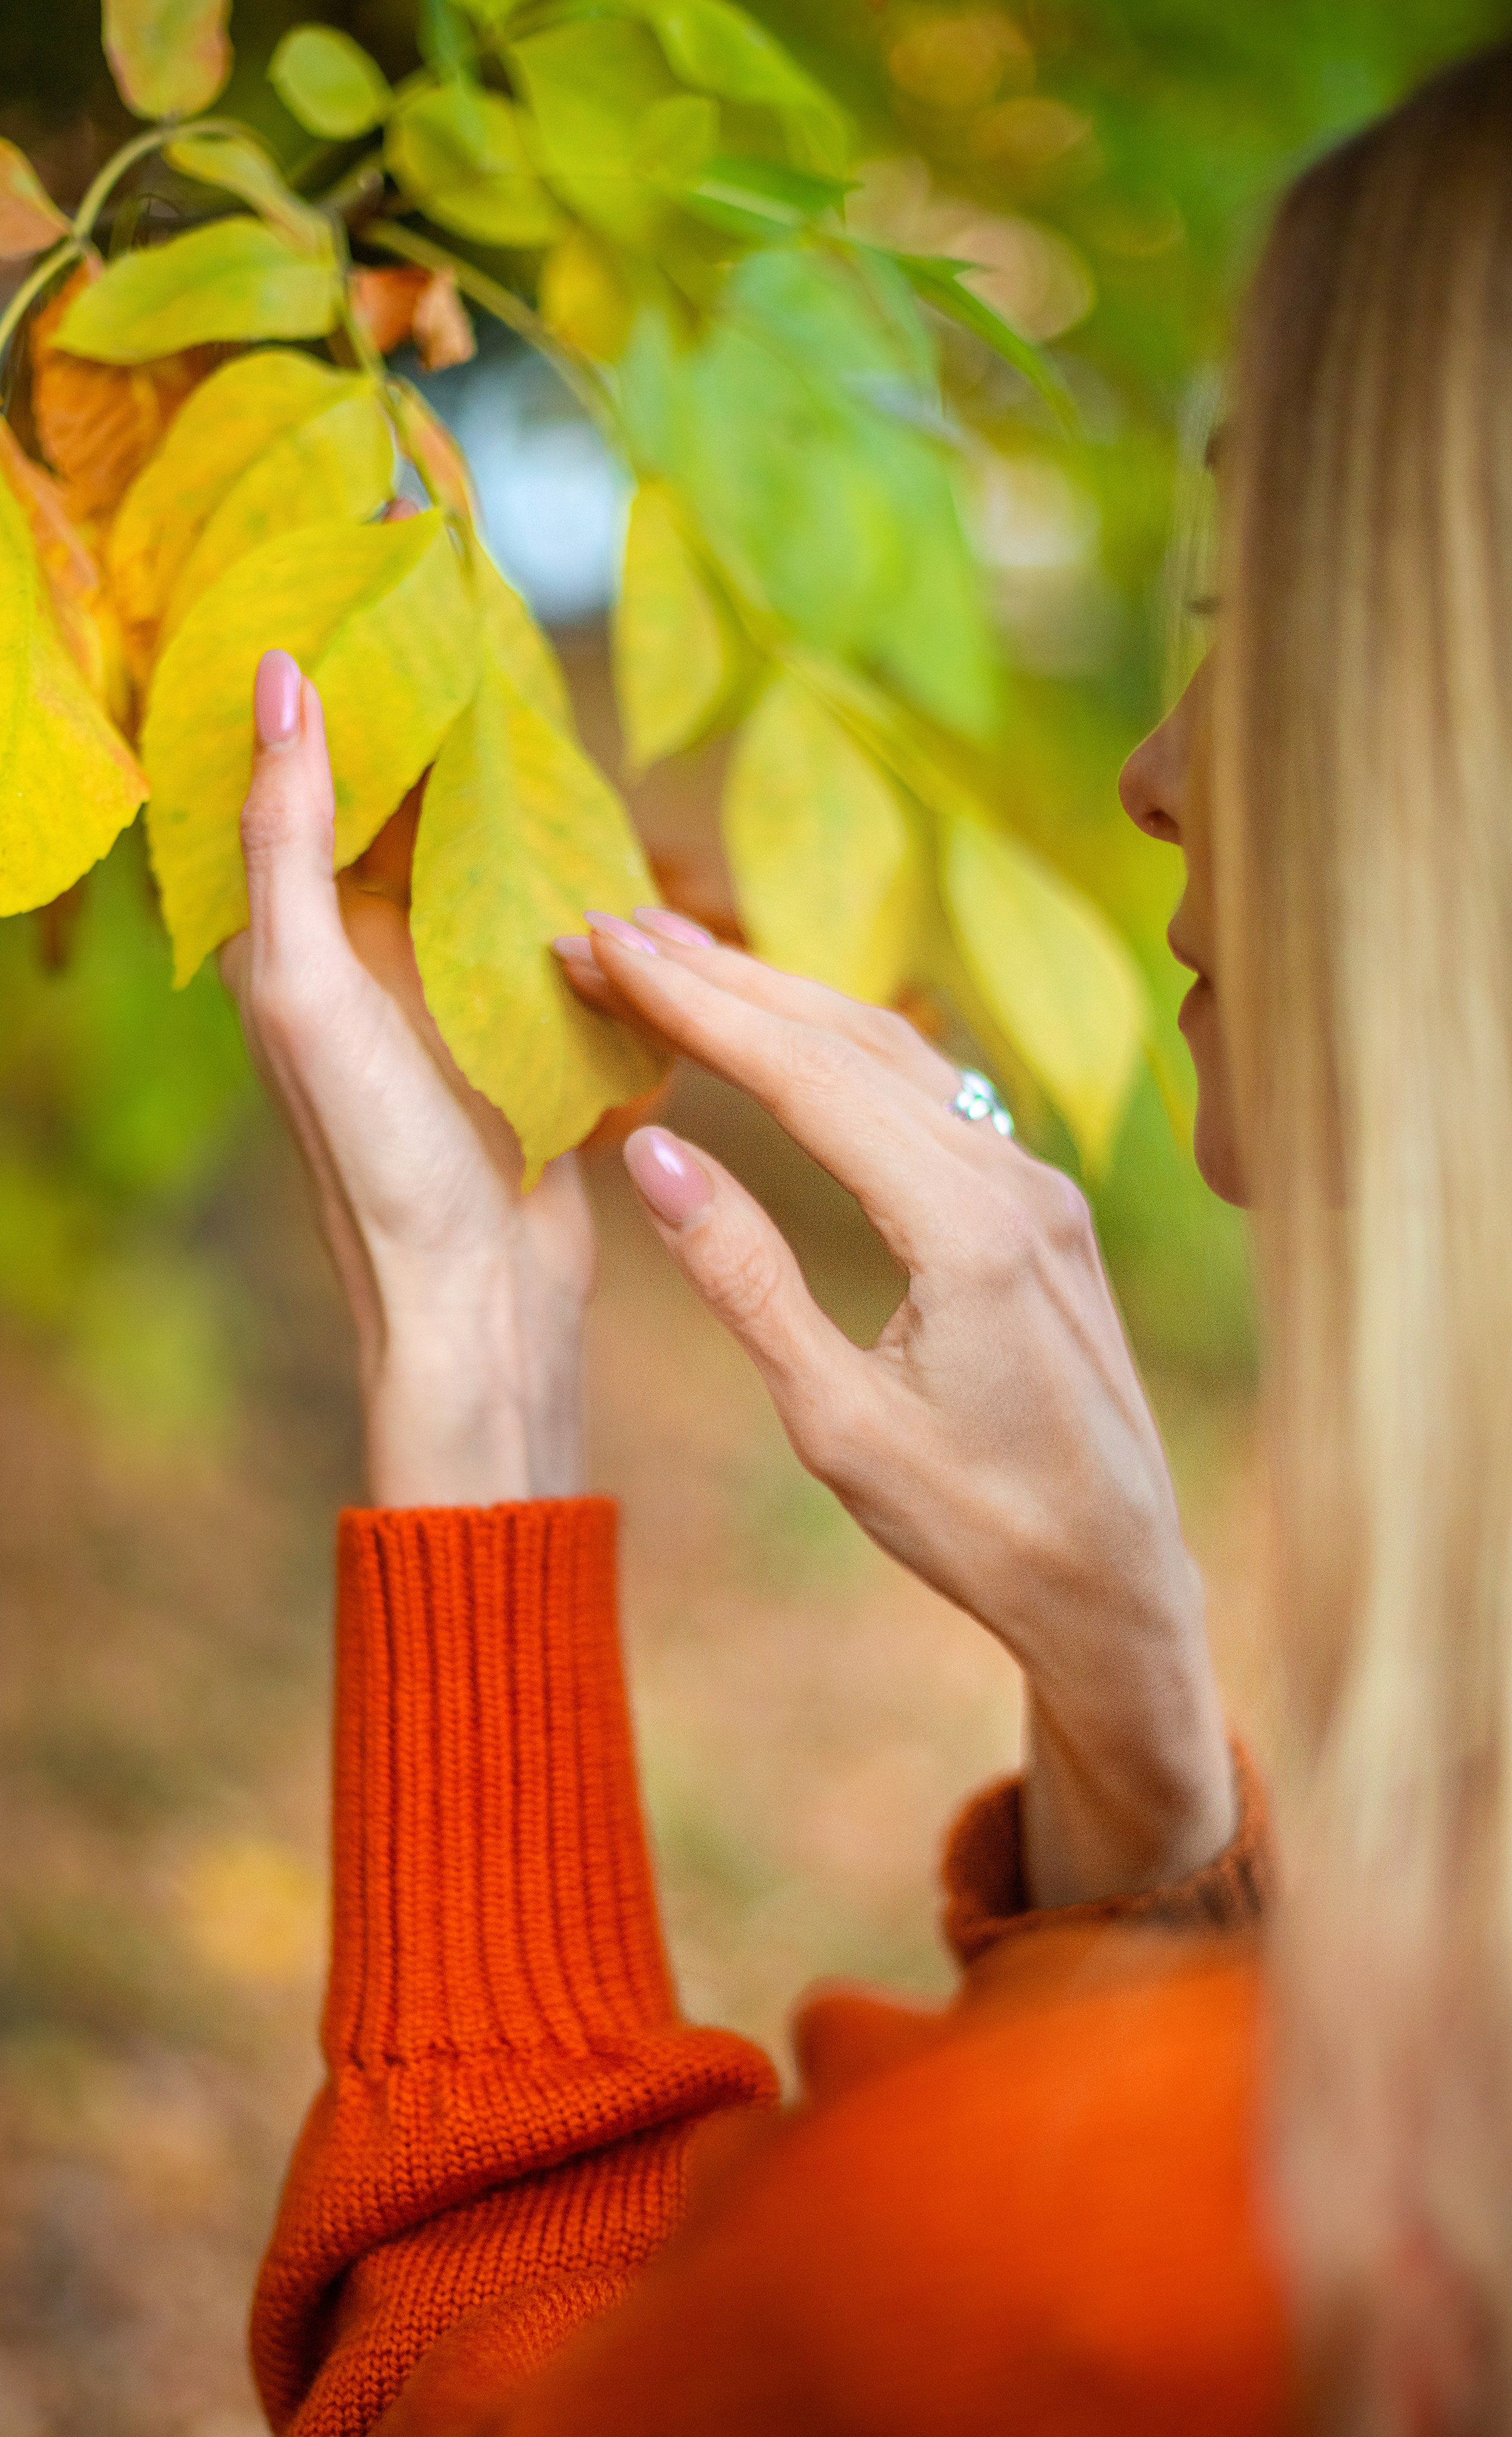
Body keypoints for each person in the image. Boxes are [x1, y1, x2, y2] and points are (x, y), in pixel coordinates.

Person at [229, 42, 1512, 2437]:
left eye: (1272, 603)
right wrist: (1140, 1779)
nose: (1153, 769)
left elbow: (493, 2364)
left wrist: (473, 1373)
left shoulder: (1149, 2242)